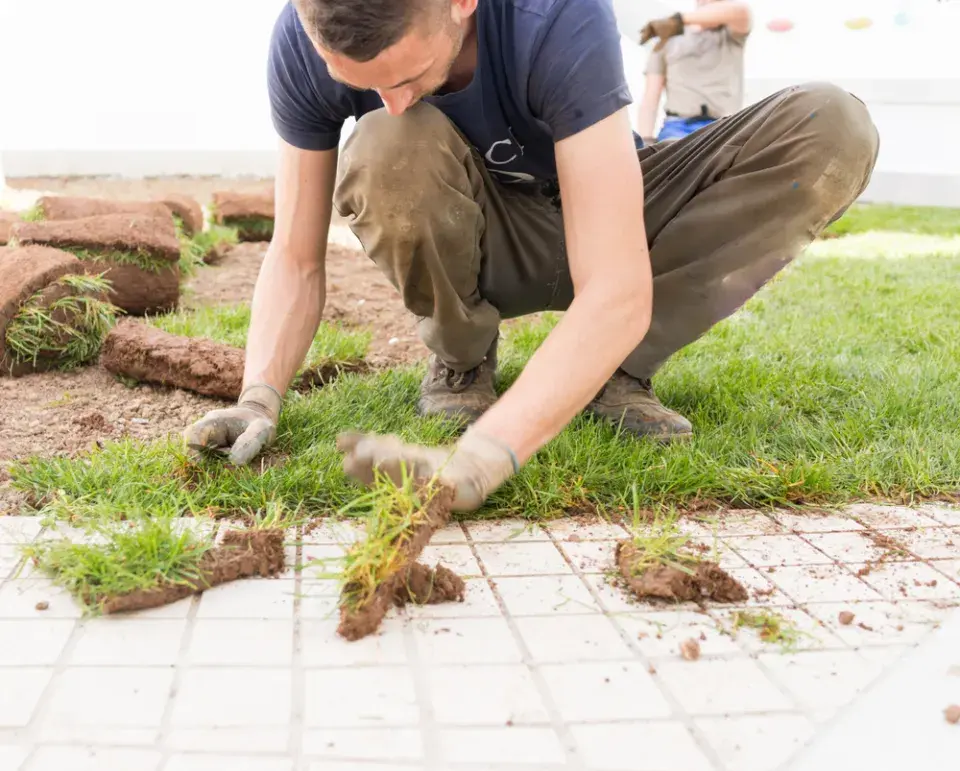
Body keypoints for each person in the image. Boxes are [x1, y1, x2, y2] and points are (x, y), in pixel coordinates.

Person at [183, 0, 878, 512]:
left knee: (832, 126)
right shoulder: (306, 36)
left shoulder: (554, 14)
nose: (390, 100)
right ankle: (461, 363)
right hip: (482, 231)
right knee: (386, 145)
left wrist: (479, 461)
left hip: (612, 216)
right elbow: (296, 257)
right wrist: (258, 397)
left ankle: (615, 373)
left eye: (408, 74)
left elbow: (614, 285)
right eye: (366, 84)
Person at [636, 1, 752, 144]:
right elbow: (651, 97)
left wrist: (677, 20)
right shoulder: (667, 40)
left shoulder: (732, 35)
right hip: (677, 128)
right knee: (674, 158)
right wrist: (645, 139)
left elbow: (740, 11)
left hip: (724, 127)